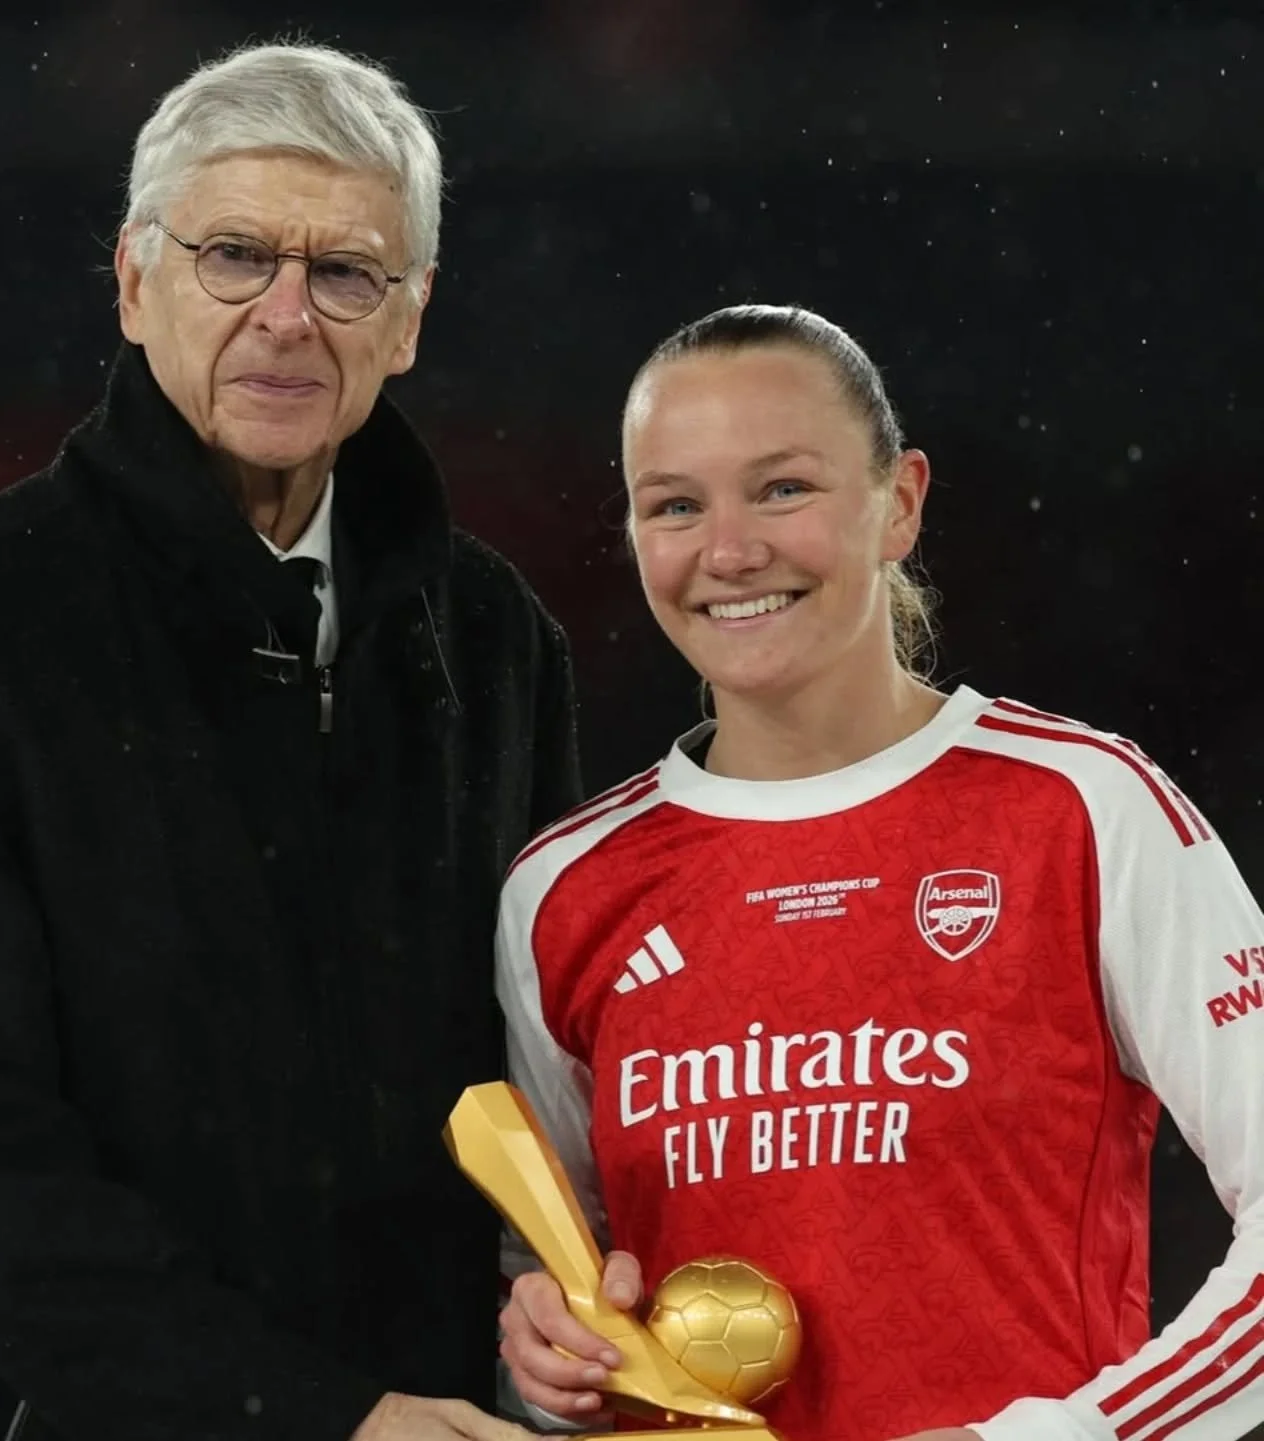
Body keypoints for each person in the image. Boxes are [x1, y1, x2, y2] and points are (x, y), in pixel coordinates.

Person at [0, 40, 578, 1441]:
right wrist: (321, 1416)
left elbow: (546, 1087)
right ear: (132, 280)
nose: (290, 315)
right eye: (236, 256)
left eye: (347, 273)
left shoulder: (493, 639)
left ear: (409, 319)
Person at [493, 304, 1264, 1441]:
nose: (730, 550)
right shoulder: (563, 889)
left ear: (898, 502)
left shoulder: (1084, 809)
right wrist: (540, 1349)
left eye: (784, 488)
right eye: (675, 505)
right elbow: (545, 1264)